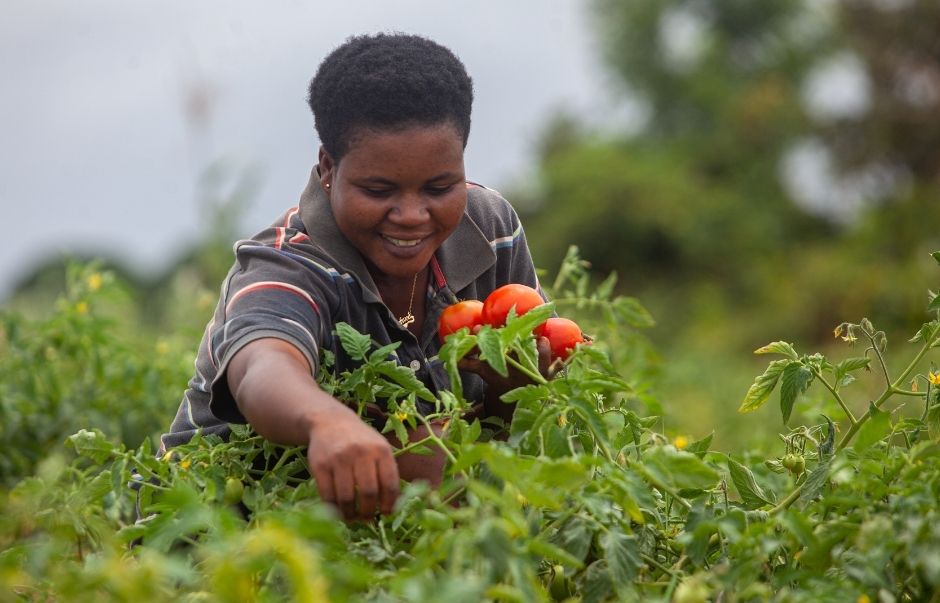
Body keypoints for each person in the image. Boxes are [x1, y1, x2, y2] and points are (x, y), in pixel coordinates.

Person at [160, 33, 550, 521]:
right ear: (328, 167)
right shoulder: (289, 263)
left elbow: (511, 421)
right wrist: (326, 421)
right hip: (216, 525)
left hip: (396, 528)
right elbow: (262, 366)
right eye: (378, 189)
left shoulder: (490, 229)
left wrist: (513, 383)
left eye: (439, 186)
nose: (411, 215)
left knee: (453, 458)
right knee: (432, 457)